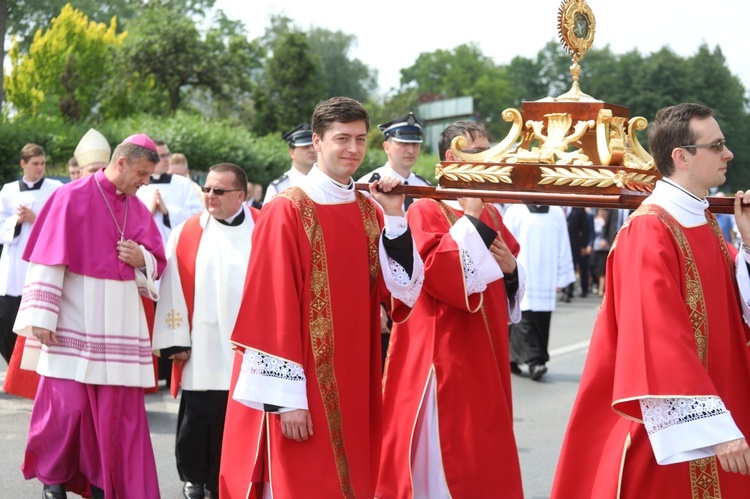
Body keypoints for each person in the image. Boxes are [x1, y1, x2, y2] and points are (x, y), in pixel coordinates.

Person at [219, 96, 424, 499]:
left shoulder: (369, 211)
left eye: (361, 139)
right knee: (308, 482)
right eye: (341, 138)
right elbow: (269, 305)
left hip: (357, 376)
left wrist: (396, 217)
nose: (352, 149)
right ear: (316, 141)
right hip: (305, 384)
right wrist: (287, 401)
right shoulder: (288, 210)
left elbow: (400, 295)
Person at [551, 103, 750, 498]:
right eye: (717, 145)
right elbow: (657, 338)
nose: (727, 154)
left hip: (719, 414)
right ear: (681, 156)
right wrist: (715, 429)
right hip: (669, 435)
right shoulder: (649, 229)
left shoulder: (704, 219)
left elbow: (733, 308)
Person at [376, 119, 525, 498]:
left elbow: (508, 273)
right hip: (442, 355)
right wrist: (471, 217)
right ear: (452, 155)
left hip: (485, 353)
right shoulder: (426, 208)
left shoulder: (490, 211)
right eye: (478, 153)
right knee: (444, 465)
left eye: (489, 152)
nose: (488, 160)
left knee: (484, 457)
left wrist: (511, 272)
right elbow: (441, 279)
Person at [14, 134, 166, 499]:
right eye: (142, 174)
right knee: (66, 409)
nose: (145, 183)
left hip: (119, 322)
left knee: (112, 416)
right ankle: (54, 479)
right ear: (122, 163)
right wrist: (42, 319)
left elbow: (158, 262)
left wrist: (139, 259)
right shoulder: (70, 196)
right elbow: (47, 259)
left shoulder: (138, 206)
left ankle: (104, 483)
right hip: (73, 318)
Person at [153, 163, 259, 499]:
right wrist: (175, 342)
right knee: (199, 414)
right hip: (202, 343)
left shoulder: (263, 226)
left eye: (219, 191)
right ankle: (194, 478)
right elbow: (171, 287)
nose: (210, 196)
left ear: (241, 195)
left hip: (249, 345)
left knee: (237, 416)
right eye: (207, 189)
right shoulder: (187, 231)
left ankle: (225, 479)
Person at [0, 144, 62, 401]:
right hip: (13, 267)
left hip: (40, 266)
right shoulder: (8, 191)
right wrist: (15, 221)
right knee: (5, 323)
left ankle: (39, 377)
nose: (40, 167)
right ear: (23, 164)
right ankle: (18, 371)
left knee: (35, 326)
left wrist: (36, 218)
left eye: (42, 162)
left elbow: (62, 222)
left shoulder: (56, 189)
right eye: (35, 163)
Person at [504, 203, 576, 380]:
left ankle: (515, 359)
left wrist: (562, 275)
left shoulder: (557, 212)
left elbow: (564, 244)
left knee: (542, 318)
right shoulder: (515, 210)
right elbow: (505, 242)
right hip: (523, 272)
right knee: (524, 316)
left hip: (547, 274)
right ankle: (536, 361)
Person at [136, 139, 203, 247]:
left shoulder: (182, 183)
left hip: (175, 247)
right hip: (144, 249)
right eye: (161, 156)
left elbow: (198, 217)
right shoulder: (137, 184)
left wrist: (167, 212)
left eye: (168, 155)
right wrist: (149, 212)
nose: (167, 160)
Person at [263, 122, 317, 204]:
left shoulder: (330, 181)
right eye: (305, 147)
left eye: (314, 145)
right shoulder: (278, 188)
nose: (312, 150)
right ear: (292, 153)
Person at [562, 206, 590, 300]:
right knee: (566, 266)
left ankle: (583, 289)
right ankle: (566, 290)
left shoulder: (578, 208)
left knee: (580, 266)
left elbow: (584, 228)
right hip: (563, 243)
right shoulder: (558, 208)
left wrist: (583, 245)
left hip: (576, 243)